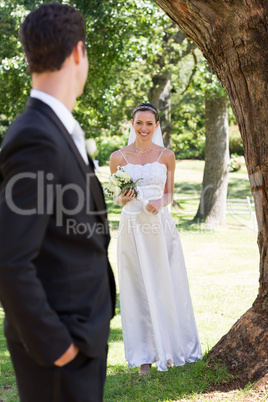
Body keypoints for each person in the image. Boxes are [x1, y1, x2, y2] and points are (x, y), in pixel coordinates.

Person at [0, 3, 115, 402]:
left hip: (81, 335)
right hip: (60, 353)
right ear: (78, 53)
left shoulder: (54, 127)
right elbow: (10, 260)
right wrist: (58, 348)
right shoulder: (36, 137)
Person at [110, 103, 202, 375]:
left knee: (166, 284)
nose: (144, 128)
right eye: (139, 123)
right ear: (132, 123)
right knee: (136, 288)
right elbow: (116, 197)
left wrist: (161, 201)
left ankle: (171, 349)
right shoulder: (118, 157)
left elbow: (170, 193)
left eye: (150, 123)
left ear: (157, 126)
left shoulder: (166, 155)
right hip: (132, 228)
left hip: (160, 228)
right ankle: (143, 359)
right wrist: (121, 199)